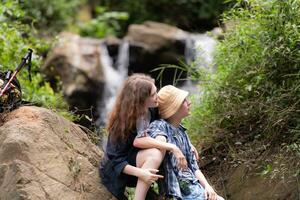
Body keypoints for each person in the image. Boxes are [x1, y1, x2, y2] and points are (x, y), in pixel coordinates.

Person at [134, 85, 224, 200]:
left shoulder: (182, 132)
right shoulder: (160, 126)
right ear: (174, 107)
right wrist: (173, 147)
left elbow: (194, 167)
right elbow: (156, 138)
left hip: (194, 186)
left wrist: (208, 186)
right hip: (178, 191)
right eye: (184, 101)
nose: (189, 103)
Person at [99, 73, 165, 200]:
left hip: (144, 162)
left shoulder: (153, 109)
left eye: (156, 91)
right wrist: (142, 173)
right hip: (123, 171)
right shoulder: (121, 123)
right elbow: (115, 159)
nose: (158, 96)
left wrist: (186, 145)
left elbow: (168, 126)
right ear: (140, 101)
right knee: (155, 153)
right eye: (153, 95)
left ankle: (166, 192)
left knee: (161, 141)